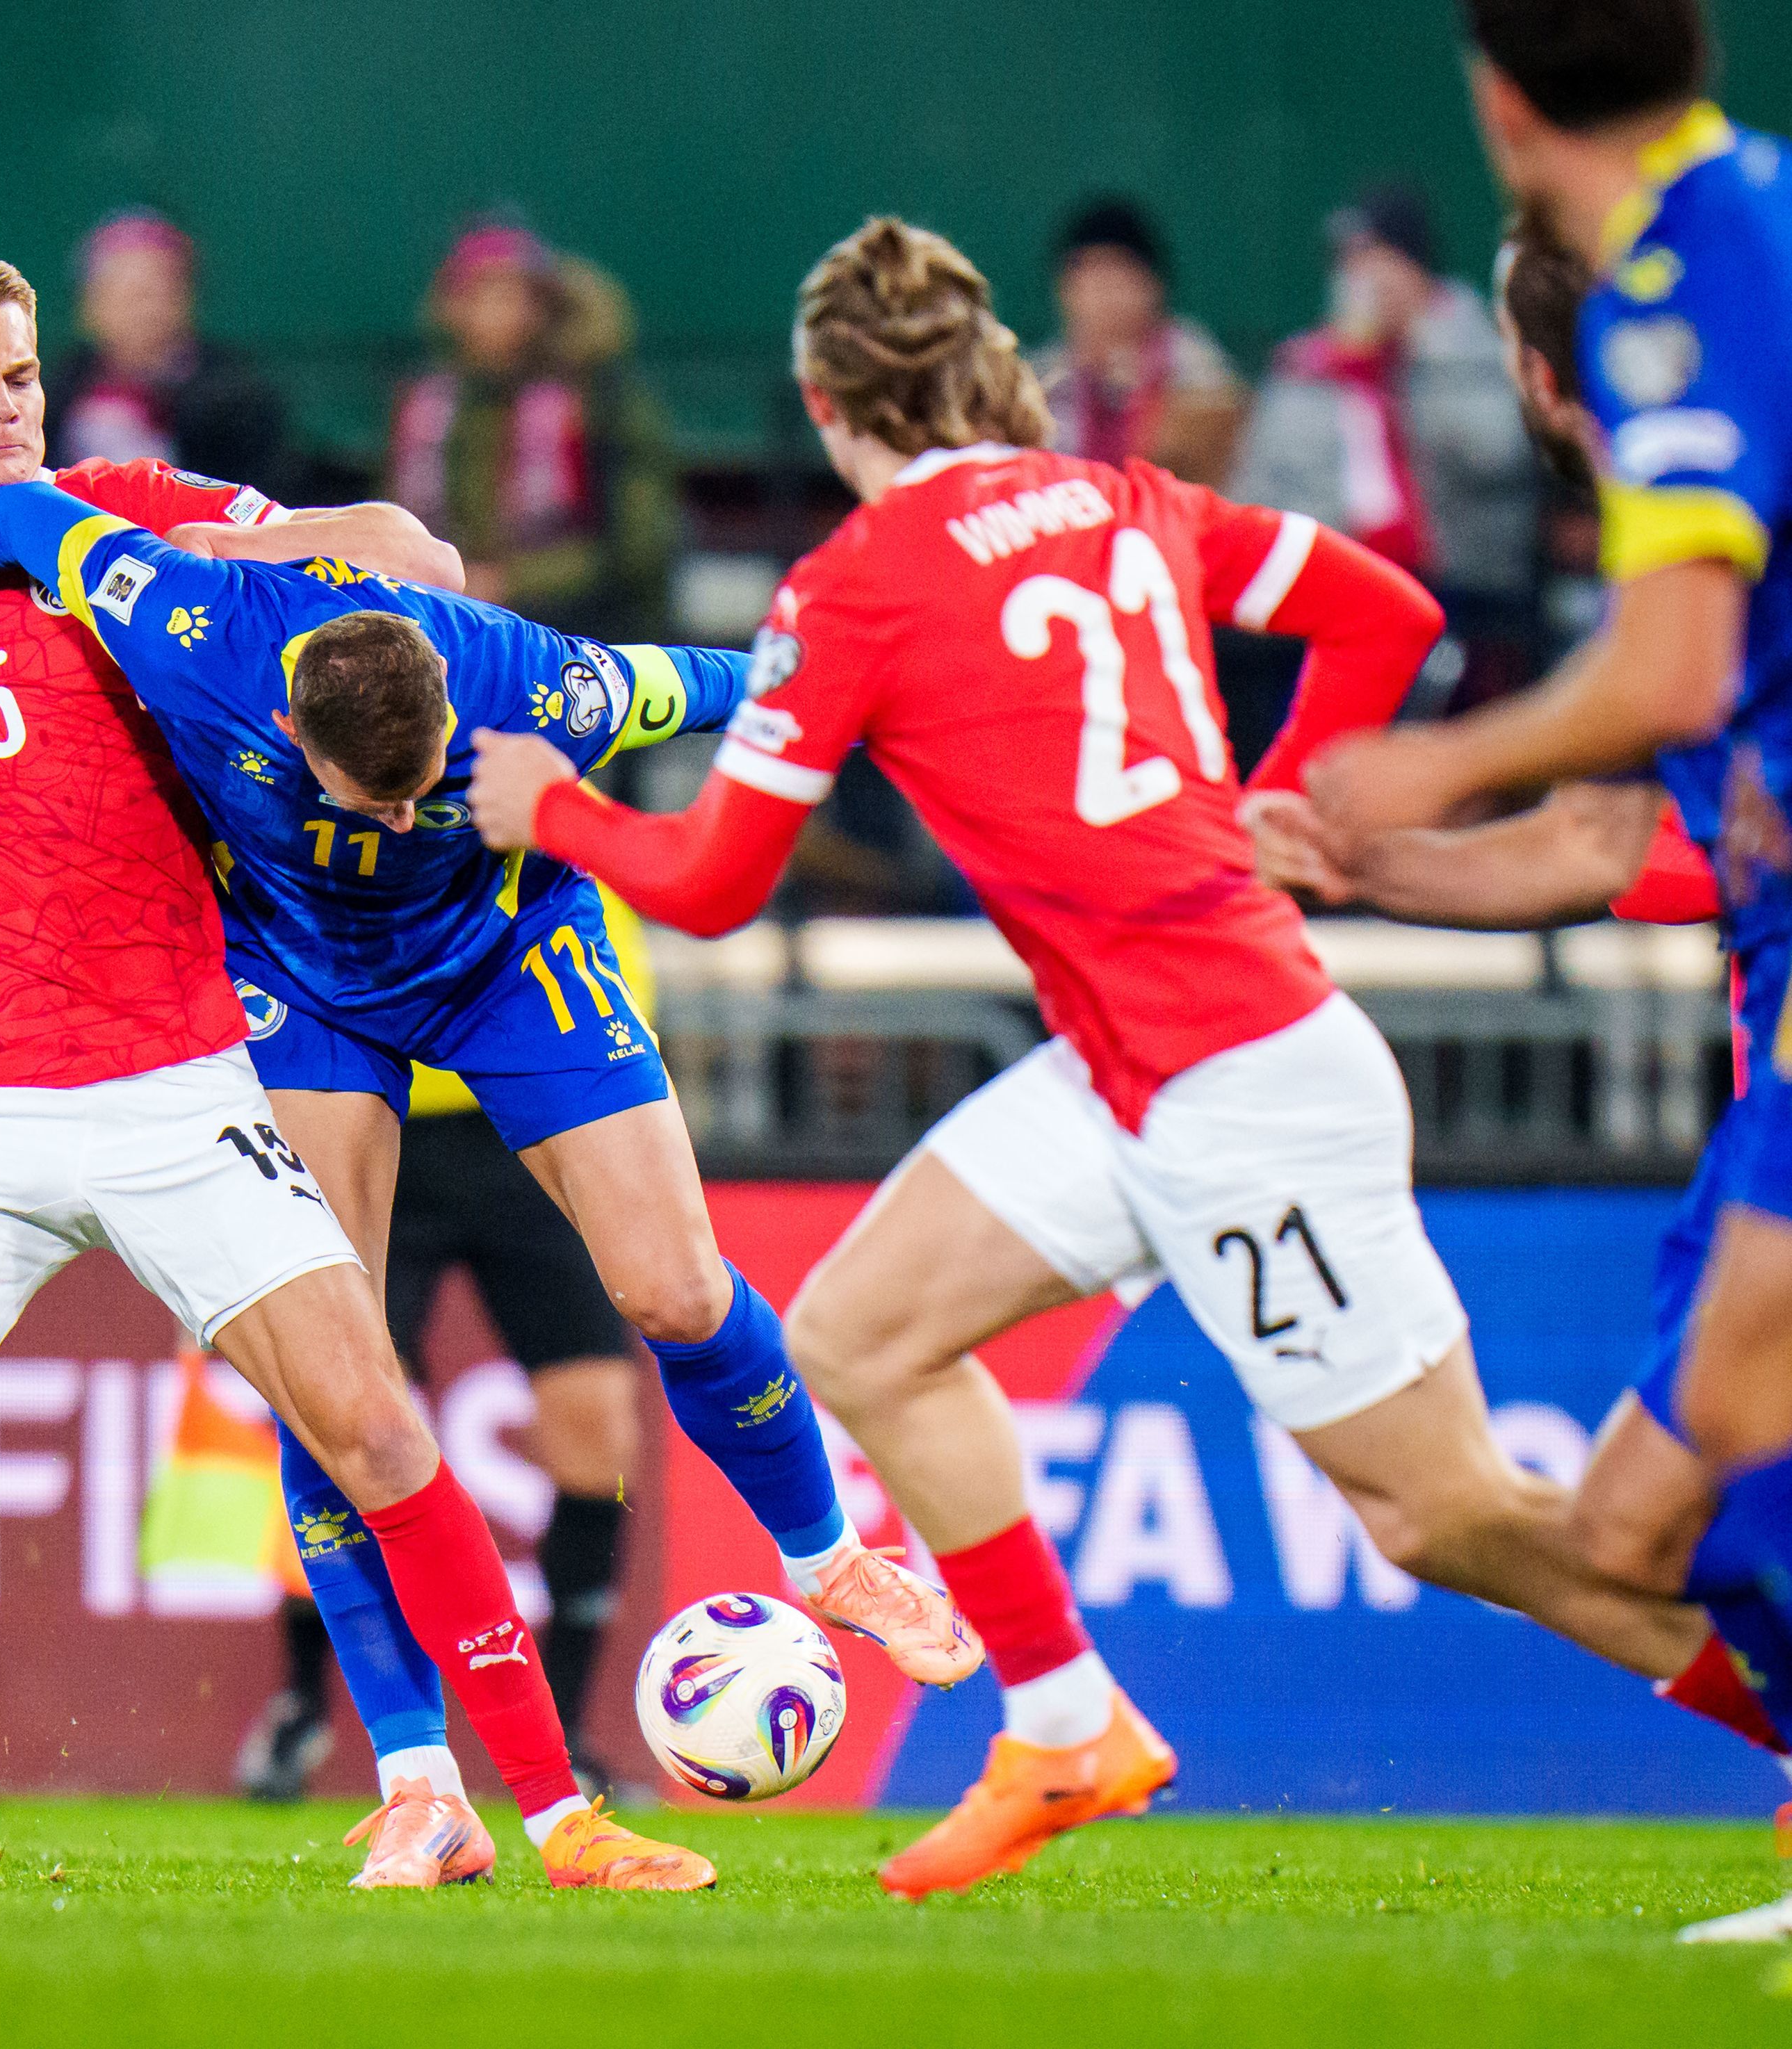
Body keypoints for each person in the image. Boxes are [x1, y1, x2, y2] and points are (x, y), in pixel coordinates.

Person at [465, 213, 1724, 1900]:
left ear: (828, 403)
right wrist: (1273, 796)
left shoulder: (855, 583)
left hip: (1236, 1076)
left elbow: (707, 883)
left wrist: (548, 804)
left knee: (1446, 1517)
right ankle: (1065, 1728)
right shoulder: (1132, 500)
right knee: (858, 1331)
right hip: (1133, 1060)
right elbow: (1386, 610)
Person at [0, 250, 719, 1893]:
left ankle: (562, 1818)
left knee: (373, 1426)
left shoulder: (124, 512)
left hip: (171, 1086)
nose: (1, 403)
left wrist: (216, 545)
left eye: (16, 372)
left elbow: (405, 553)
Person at [0, 410, 993, 1804]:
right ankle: (418, 1779)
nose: (385, 820)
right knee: (338, 1369)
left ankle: (826, 1556)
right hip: (306, 985)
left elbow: (742, 686)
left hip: (507, 958)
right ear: (295, 732)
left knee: (668, 1288)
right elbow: (9, 519)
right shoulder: (190, 623)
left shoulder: (537, 681)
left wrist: (891, 702)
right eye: (366, 801)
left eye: (418, 796)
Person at [1307, 0, 1792, 1941]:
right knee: (1637, 1523)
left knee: (1721, 1447)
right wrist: (1372, 858)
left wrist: (1434, 750)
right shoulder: (1748, 221)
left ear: (1500, 102)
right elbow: (1608, 836)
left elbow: (1663, 682)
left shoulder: (1680, 277)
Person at [239, 890, 658, 1804]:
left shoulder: (553, 776)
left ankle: (572, 1737)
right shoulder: (375, 794)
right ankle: (300, 1710)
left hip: (533, 1117)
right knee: (344, 1414)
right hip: (371, 1112)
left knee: (598, 1430)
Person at [1230, 183, 1539, 600]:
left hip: (1468, 596)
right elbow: (1258, 498)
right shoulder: (1307, 370)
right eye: (1349, 265)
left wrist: (1425, 339)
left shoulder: (1469, 343)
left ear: (1415, 270)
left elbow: (1496, 454)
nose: (1361, 283)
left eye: (1377, 263)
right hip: (1341, 590)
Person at [387, 223, 678, 641]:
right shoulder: (427, 406)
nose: (493, 314)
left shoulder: (600, 401)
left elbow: (635, 550)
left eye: (509, 294)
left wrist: (508, 584)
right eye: (477, 296)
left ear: (542, 306)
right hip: (445, 629)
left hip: (581, 637)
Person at [45, 209, 293, 498]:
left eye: (156, 293)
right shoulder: (54, 394)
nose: (144, 311)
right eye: (127, 295)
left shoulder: (238, 399)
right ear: (89, 306)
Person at [1031, 197, 1243, 487]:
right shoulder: (1043, 377)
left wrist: (1125, 398)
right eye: (1091, 274)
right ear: (1065, 289)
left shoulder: (1196, 366)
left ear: (1153, 285)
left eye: (1120, 273)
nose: (1106, 294)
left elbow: (1191, 468)